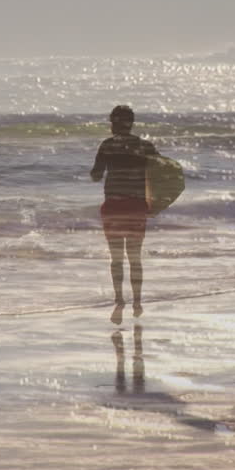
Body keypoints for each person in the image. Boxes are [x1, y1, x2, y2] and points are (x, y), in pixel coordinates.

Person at [90, 105, 158, 323]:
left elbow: (96, 176)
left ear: (113, 123)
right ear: (132, 123)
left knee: (117, 258)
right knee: (135, 257)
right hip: (137, 207)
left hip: (113, 207)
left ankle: (119, 300)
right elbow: (161, 172)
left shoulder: (107, 146)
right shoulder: (145, 146)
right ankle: (137, 301)